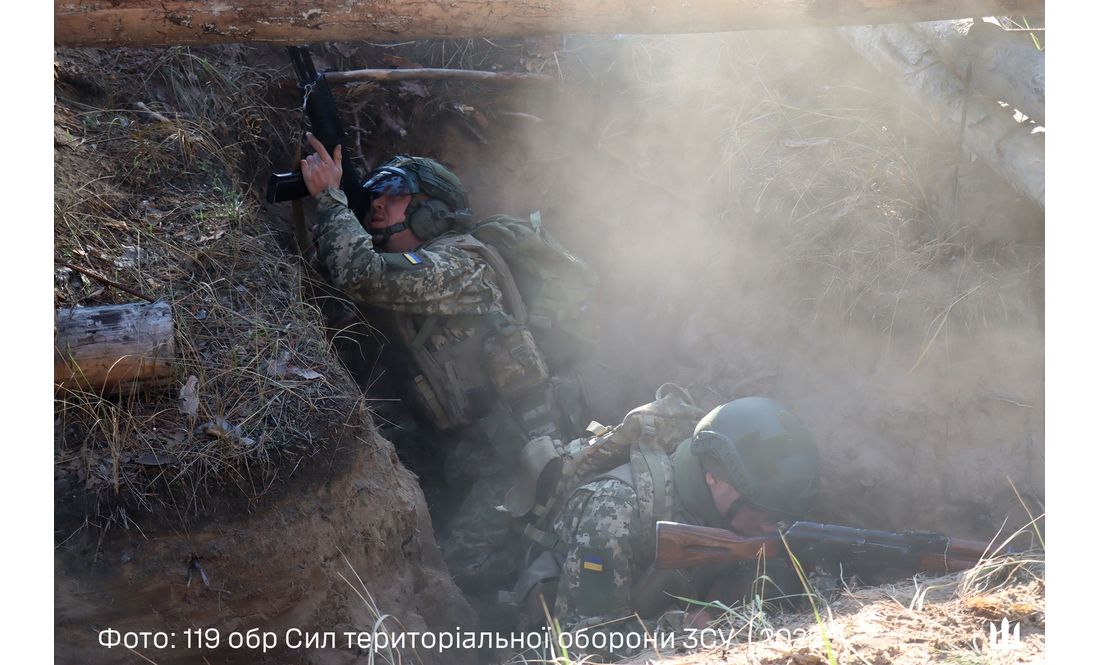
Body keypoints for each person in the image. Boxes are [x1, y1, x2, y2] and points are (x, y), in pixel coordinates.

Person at [300, 133, 590, 617]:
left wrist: (331, 200)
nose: (378, 206)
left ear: (432, 213)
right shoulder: (410, 270)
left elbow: (361, 275)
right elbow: (330, 291)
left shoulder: (459, 263)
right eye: (376, 196)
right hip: (455, 449)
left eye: (395, 197)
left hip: (515, 464)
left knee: (449, 576)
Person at [523, 395, 821, 654]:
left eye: (781, 518)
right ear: (714, 479)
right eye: (765, 513)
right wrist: (682, 627)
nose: (773, 528)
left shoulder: (733, 507)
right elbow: (582, 643)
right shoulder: (616, 512)